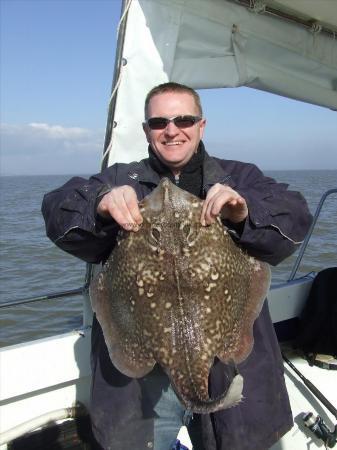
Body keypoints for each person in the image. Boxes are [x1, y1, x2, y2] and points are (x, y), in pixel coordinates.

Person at [42, 82, 312, 450]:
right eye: (159, 122)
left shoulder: (241, 177)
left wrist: (245, 209)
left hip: (228, 363)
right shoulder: (119, 180)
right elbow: (57, 210)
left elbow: (295, 217)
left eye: (184, 119)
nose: (172, 130)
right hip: (142, 385)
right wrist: (99, 203)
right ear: (146, 130)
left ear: (201, 126)